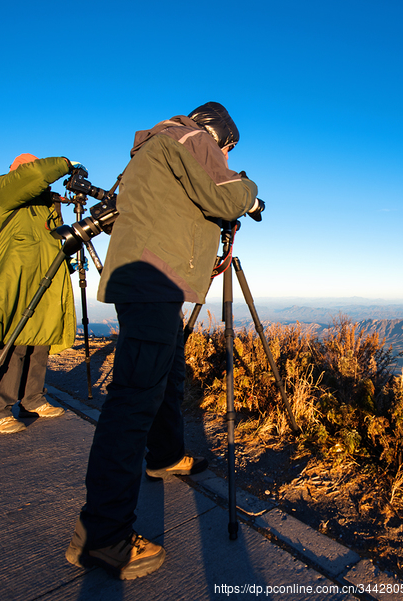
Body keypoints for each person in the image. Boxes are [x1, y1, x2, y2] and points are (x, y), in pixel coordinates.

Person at [65, 102, 263, 580]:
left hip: (153, 280)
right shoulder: (191, 138)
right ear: (219, 132)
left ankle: (166, 455)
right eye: (228, 146)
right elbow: (226, 194)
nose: (226, 153)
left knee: (166, 372)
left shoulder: (151, 149)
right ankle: (102, 536)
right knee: (134, 398)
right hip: (154, 280)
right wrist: (253, 197)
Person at [0, 154, 78, 434]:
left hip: (45, 275)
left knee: (39, 339)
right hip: (13, 276)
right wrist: (65, 164)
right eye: (27, 169)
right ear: (17, 171)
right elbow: (33, 176)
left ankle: (33, 399)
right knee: (8, 341)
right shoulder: (2, 189)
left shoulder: (45, 205)